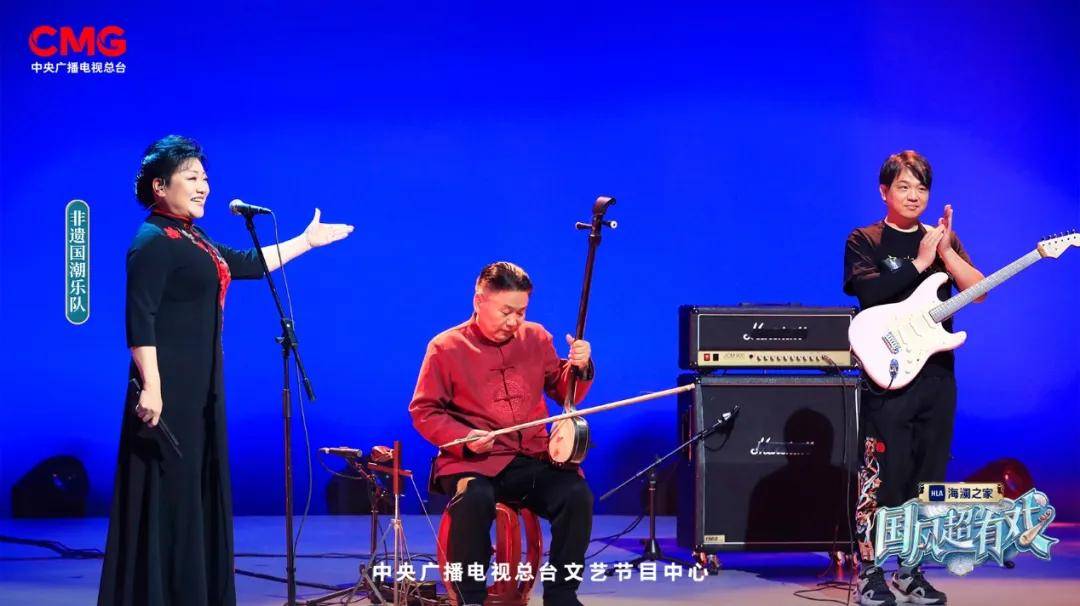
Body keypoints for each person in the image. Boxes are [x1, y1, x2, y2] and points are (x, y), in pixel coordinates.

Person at [98, 135, 353, 606]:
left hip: (201, 386)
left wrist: (306, 241)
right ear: (159, 186)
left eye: (205, 178)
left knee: (194, 492)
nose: (204, 187)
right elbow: (140, 318)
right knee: (170, 496)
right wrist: (152, 385)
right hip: (169, 391)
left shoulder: (192, 237)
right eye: (191, 177)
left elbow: (250, 264)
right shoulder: (152, 241)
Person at [843, 150, 985, 606]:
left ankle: (911, 572)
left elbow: (977, 292)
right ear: (884, 191)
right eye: (903, 187)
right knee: (882, 478)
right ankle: (869, 573)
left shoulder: (941, 238)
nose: (913, 196)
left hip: (937, 379)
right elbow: (869, 293)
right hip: (887, 380)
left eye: (921, 188)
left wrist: (945, 253)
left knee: (928, 478)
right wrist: (921, 263)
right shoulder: (864, 239)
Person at [409, 261, 596, 606]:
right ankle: (470, 598)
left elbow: (563, 391)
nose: (513, 321)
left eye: (521, 312)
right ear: (479, 300)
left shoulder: (536, 337)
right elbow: (424, 411)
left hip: (532, 459)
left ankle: (562, 596)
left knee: (576, 495)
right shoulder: (446, 347)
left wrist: (580, 366)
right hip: (473, 462)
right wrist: (465, 436)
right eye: (506, 311)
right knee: (474, 499)